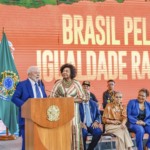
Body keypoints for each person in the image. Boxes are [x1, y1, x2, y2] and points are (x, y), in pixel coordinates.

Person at [50, 63, 86, 150]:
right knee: (62, 132)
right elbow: (51, 97)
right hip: (60, 113)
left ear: (71, 73)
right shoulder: (58, 83)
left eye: (67, 71)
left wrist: (70, 100)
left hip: (74, 114)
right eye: (63, 71)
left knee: (74, 131)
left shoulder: (76, 83)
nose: (64, 72)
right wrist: (60, 99)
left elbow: (83, 98)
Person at [12, 66, 47, 150]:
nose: (38, 74)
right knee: (28, 143)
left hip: (41, 118)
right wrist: (26, 106)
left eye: (39, 72)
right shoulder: (22, 84)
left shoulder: (41, 85)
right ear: (29, 74)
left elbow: (45, 98)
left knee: (40, 142)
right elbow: (14, 98)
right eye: (36, 72)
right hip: (27, 119)